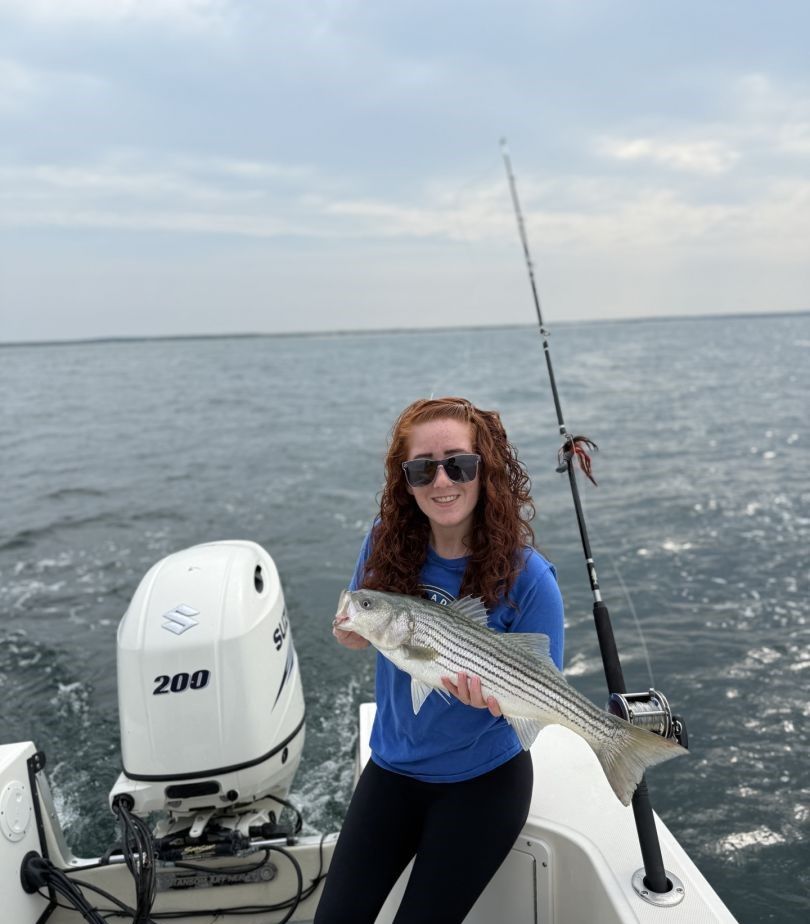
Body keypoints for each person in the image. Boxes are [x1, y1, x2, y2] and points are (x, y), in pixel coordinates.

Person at [314, 396, 564, 924]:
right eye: (423, 468)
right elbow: (362, 622)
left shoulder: (532, 578)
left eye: (459, 463)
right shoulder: (383, 542)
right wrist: (352, 632)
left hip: (484, 784)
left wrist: (499, 700)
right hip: (392, 770)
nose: (442, 480)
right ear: (405, 480)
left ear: (486, 469)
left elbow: (544, 690)